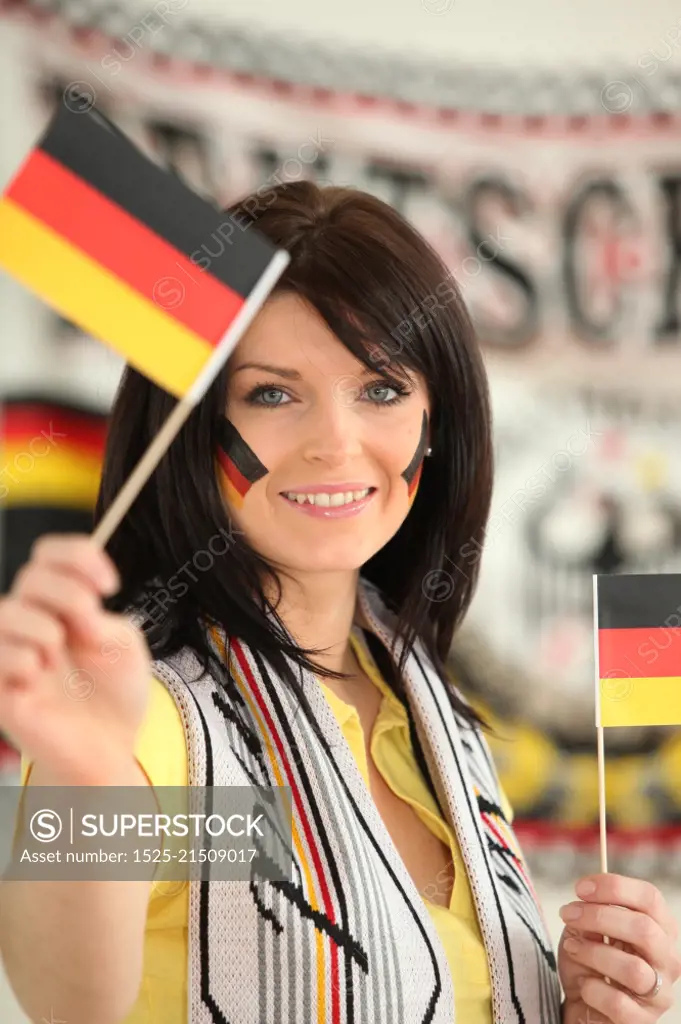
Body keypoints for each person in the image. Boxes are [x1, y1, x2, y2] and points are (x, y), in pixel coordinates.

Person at [0, 180, 679, 1024]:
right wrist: (81, 773)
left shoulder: (426, 701)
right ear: (193, 426)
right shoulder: (150, 709)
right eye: (273, 394)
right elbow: (66, 1001)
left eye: (382, 389)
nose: (335, 442)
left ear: (438, 421)